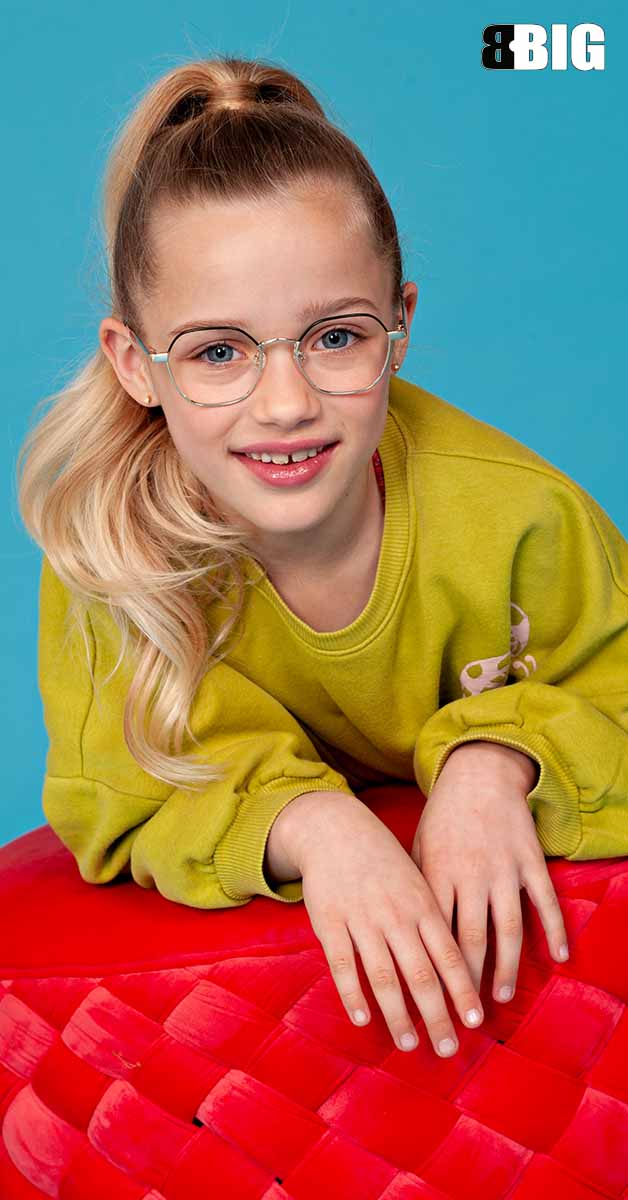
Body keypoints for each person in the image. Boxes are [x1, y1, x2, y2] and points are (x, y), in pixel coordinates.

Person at [17, 55, 628, 1065]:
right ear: (135, 364)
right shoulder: (113, 552)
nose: (286, 403)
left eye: (335, 338)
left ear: (400, 327)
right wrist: (316, 826)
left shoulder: (524, 518)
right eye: (218, 352)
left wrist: (494, 760)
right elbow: (112, 801)